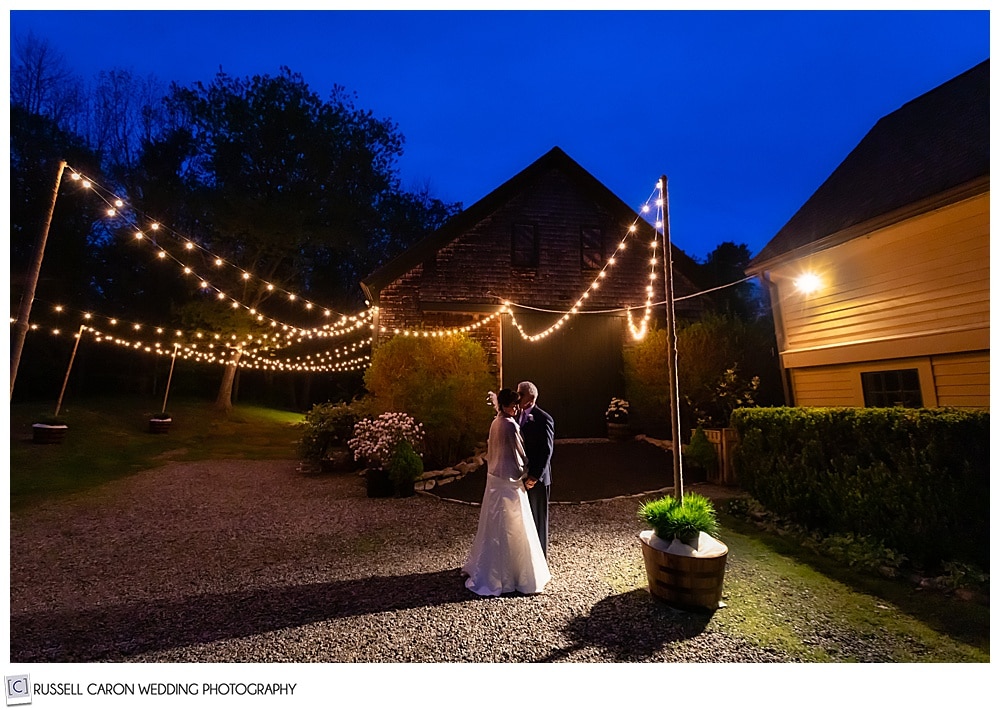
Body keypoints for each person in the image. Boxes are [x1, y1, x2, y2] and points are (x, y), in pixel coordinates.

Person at [462, 388, 551, 596]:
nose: (516, 409)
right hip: (510, 483)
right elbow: (518, 454)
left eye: (516, 405)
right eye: (513, 405)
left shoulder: (495, 423)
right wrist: (526, 472)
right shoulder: (510, 425)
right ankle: (516, 573)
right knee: (515, 526)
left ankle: (494, 569)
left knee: (494, 527)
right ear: (503, 405)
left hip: (495, 482)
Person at [517, 381, 554, 558]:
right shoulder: (517, 417)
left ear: (530, 398)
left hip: (537, 479)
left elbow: (547, 450)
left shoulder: (544, 419)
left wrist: (534, 476)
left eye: (520, 394)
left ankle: (540, 558)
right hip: (520, 476)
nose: (517, 398)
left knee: (538, 518)